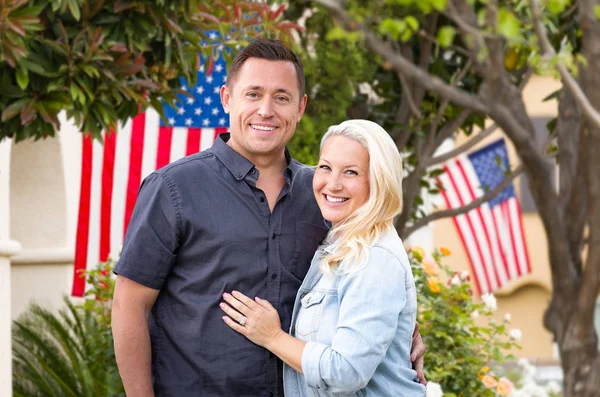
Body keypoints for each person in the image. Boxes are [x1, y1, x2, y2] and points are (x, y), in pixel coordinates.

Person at [111, 39, 425, 397]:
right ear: (227, 98)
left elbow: (364, 287)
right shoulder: (173, 188)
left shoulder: (325, 195)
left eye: (281, 97)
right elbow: (129, 304)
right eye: (253, 94)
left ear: (300, 107)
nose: (265, 110)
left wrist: (401, 334)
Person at [220, 119, 427, 396]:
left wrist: (272, 337)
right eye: (326, 167)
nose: (333, 183)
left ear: (378, 180)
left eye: (351, 172)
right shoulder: (339, 241)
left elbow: (347, 372)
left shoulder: (374, 257)